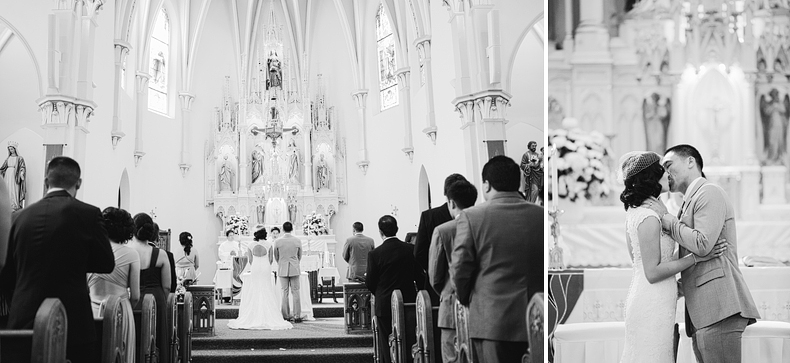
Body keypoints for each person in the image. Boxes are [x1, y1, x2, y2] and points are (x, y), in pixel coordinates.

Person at [646, 145, 760, 363]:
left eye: (669, 165)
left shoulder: (709, 192)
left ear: (690, 161)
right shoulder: (689, 200)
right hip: (705, 311)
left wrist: (669, 221)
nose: (665, 173)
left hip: (719, 307)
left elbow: (702, 243)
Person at [617, 151, 727, 362]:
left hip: (655, 298)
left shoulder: (641, 212)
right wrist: (697, 258)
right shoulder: (648, 217)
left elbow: (656, 259)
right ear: (651, 179)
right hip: (650, 302)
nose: (668, 175)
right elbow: (651, 272)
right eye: (662, 171)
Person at [4, 156, 114, 363]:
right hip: (72, 317)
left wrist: (20, 300)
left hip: (23, 317)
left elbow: (8, 272)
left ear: (46, 182)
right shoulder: (88, 214)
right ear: (78, 183)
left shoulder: (19, 216)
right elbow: (106, 263)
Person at [451, 155, 542, 363]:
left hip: (492, 321)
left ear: (486, 185)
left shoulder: (472, 217)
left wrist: (467, 299)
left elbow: (460, 268)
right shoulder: (540, 215)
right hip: (537, 320)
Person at [428, 180, 477, 363]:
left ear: (451, 203)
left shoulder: (443, 230)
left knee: (452, 357)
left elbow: (434, 275)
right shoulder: (482, 226)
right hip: (479, 304)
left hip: (450, 305)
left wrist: (446, 292)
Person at [366, 215, 424, 363]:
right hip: (408, 302)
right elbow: (420, 277)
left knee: (386, 343)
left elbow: (370, 282)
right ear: (397, 229)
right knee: (409, 338)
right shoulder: (411, 249)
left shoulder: (375, 254)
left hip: (384, 304)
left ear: (380, 232)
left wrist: (380, 293)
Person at [88, 207, 139, 363]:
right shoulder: (131, 254)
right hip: (121, 310)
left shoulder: (90, 250)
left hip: (92, 310)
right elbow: (136, 295)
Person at [414, 173, 467, 303]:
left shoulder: (429, 216)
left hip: (437, 286)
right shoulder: (477, 217)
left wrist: (434, 270)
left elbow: (419, 252)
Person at [228, 228, 293, 330]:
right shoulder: (268, 244)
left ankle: (253, 315)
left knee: (255, 288)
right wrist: (266, 264)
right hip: (265, 267)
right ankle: (269, 315)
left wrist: (255, 265)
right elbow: (271, 260)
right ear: (265, 235)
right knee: (266, 288)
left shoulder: (250, 245)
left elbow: (250, 260)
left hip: (255, 267)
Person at [130, 212, 171, 357]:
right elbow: (167, 286)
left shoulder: (128, 252)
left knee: (136, 339)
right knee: (157, 338)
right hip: (156, 299)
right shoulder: (161, 254)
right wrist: (161, 300)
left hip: (134, 299)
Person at [274, 222, 302, 322]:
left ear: (282, 229)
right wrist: (295, 262)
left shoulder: (278, 241)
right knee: (296, 292)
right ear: (292, 229)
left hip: (282, 267)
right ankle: (297, 316)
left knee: (284, 292)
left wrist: (281, 263)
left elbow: (276, 256)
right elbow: (299, 255)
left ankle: (285, 315)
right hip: (294, 267)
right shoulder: (297, 240)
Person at [149, 223, 176, 292]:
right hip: (160, 296)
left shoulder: (136, 254)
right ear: (158, 237)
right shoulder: (168, 255)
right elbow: (170, 286)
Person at [0, 142, 26, 211]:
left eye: (11, 149)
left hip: (15, 176)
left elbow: (22, 167)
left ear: (15, 149)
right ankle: (7, 204)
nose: (10, 150)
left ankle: (14, 204)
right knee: (8, 188)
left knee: (14, 189)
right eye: (9, 149)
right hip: (7, 175)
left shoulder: (19, 158)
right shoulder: (8, 158)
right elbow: (3, 168)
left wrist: (21, 173)